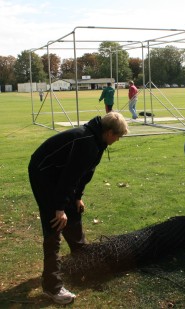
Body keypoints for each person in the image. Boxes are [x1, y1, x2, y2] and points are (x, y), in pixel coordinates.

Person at [28, 112, 129, 305]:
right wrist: (58, 208)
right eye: (118, 136)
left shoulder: (98, 141)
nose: (118, 140)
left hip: (59, 174)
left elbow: (84, 173)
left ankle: (81, 259)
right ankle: (52, 285)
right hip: (43, 172)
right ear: (108, 132)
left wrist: (77, 197)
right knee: (55, 223)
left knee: (73, 211)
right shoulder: (86, 142)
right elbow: (68, 177)